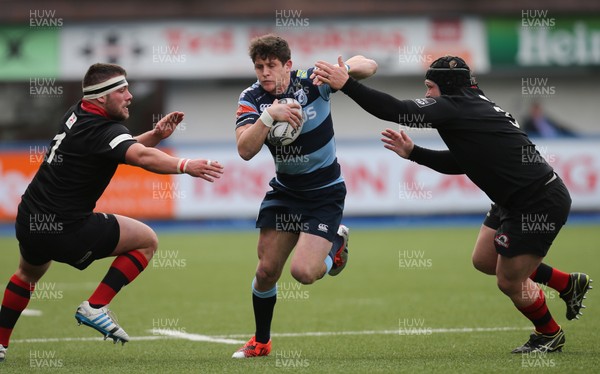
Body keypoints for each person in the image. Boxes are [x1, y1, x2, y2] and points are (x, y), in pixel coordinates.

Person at [312, 55, 592, 353]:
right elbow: (464, 162)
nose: (427, 95)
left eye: (430, 87)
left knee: (509, 281)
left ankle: (549, 334)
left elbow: (398, 110)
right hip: (515, 198)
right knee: (484, 259)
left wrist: (349, 85)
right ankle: (565, 284)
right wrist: (414, 152)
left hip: (537, 202)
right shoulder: (471, 102)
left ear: (446, 87)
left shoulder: (455, 106)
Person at [0, 63, 224, 362]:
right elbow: (139, 156)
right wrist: (186, 166)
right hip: (67, 228)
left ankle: (0, 343)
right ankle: (95, 306)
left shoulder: (78, 111)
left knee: (27, 274)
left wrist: (155, 135)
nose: (129, 96)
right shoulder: (103, 129)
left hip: (31, 218)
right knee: (147, 240)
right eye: (122, 90)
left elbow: (121, 149)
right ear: (102, 98)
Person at [232, 34, 377, 358]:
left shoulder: (313, 81)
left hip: (324, 193)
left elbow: (370, 64)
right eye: (259, 67)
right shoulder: (252, 98)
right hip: (286, 192)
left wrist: (347, 70)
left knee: (304, 273)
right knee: (266, 271)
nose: (265, 73)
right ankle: (261, 341)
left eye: (272, 66)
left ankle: (336, 246)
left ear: (288, 65)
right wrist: (270, 117)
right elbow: (244, 149)